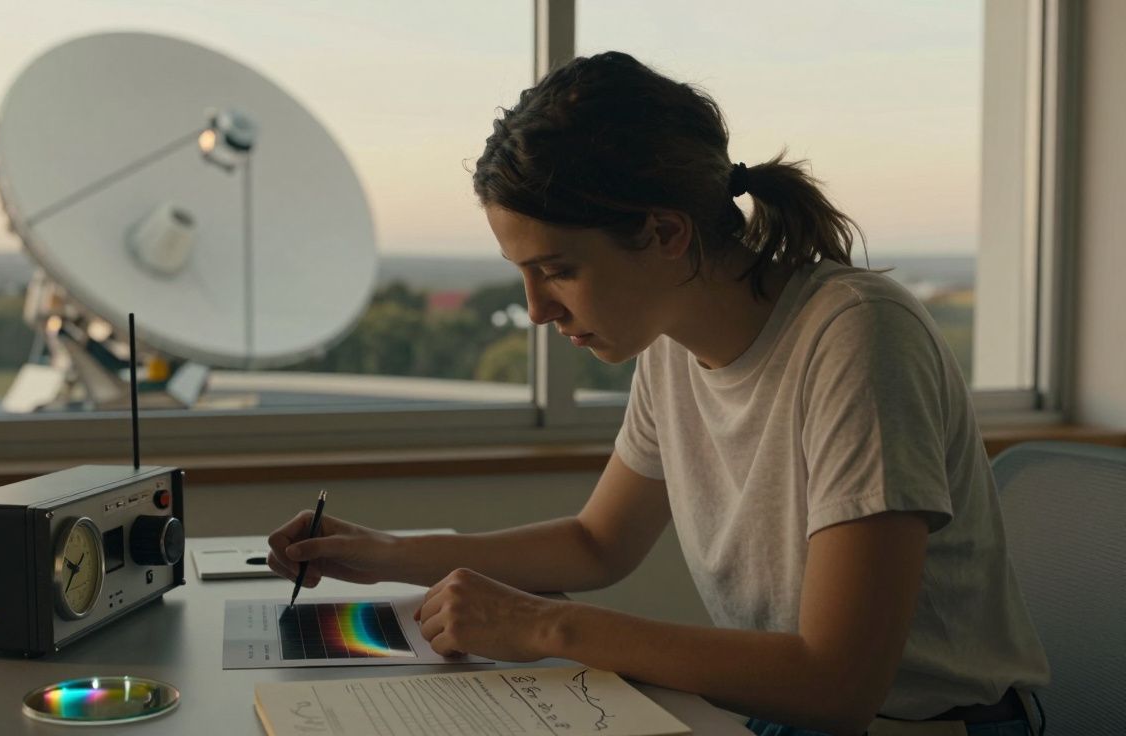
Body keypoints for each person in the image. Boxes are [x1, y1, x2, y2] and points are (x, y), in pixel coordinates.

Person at [267, 52, 1049, 736]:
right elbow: (597, 544)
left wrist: (545, 624)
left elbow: (838, 684)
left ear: (667, 233)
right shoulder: (672, 344)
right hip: (779, 715)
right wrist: (387, 556)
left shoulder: (857, 338)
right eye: (524, 276)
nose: (537, 311)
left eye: (559, 270)